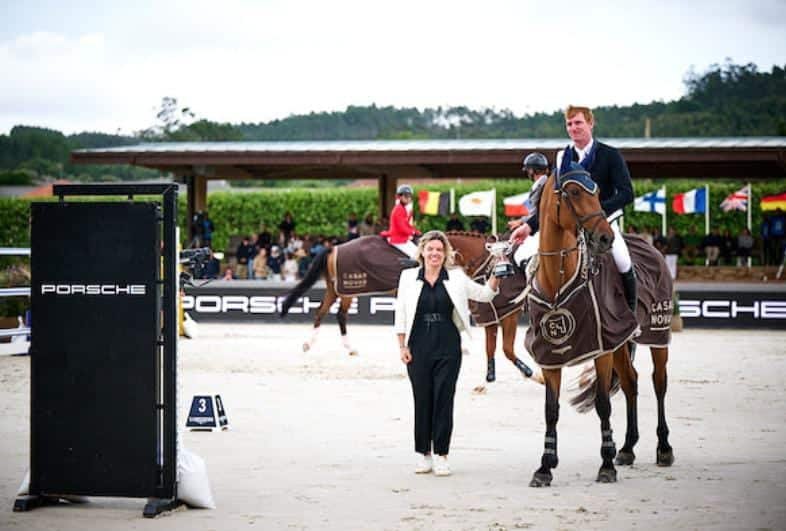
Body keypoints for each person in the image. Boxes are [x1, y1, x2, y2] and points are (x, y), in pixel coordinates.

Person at [394, 230, 501, 477]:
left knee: (444, 399)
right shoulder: (407, 277)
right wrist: (402, 346)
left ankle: (442, 455)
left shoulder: (457, 278)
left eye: (439, 250)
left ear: (445, 254)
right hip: (417, 346)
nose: (434, 254)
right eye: (430, 249)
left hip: (448, 346)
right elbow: (399, 313)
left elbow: (485, 295)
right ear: (422, 251)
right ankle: (424, 455)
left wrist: (498, 270)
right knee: (422, 400)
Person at [511, 105, 637, 314]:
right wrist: (528, 226)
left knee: (623, 260)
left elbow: (626, 193)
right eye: (569, 124)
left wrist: (595, 212)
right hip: (570, 224)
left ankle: (630, 317)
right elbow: (551, 202)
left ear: (590, 123)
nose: (573, 128)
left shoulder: (610, 155)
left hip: (603, 221)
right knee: (530, 256)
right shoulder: (563, 158)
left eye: (578, 122)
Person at [511, 152, 550, 269]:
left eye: (528, 170)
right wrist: (521, 221)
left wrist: (522, 223)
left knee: (519, 255)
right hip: (536, 225)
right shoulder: (542, 183)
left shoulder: (543, 185)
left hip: (541, 228)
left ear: (532, 171)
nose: (528, 173)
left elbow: (539, 211)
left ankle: (531, 283)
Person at [381, 184, 420, 258]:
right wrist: (412, 233)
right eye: (406, 196)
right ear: (399, 197)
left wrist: (416, 231)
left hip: (402, 237)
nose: (408, 198)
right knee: (417, 255)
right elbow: (402, 227)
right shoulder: (399, 209)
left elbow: (407, 225)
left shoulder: (403, 208)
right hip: (398, 239)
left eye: (409, 196)